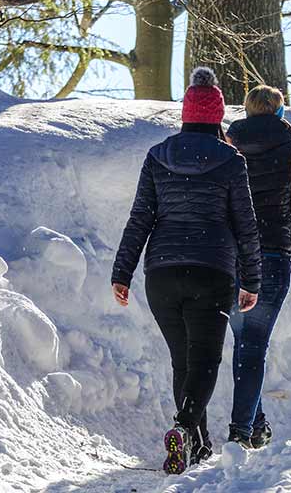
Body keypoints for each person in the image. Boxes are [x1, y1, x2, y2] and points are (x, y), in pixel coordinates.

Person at [110, 67, 261, 475]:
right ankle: (183, 427)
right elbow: (244, 223)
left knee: (184, 359)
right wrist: (252, 279)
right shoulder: (231, 160)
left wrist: (122, 272)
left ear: (185, 114)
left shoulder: (158, 155)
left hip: (162, 272)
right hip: (211, 270)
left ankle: (198, 443)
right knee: (206, 359)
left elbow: (140, 218)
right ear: (216, 117)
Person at [224, 85, 291, 449]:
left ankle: (254, 423)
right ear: (279, 113)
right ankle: (241, 431)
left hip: (230, 257)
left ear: (246, 112)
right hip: (272, 257)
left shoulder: (228, 147)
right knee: (254, 344)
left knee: (243, 342)